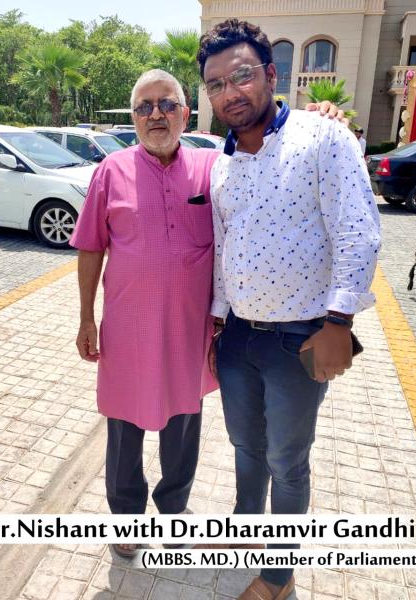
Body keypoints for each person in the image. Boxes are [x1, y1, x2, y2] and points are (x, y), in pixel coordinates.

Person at [70, 67, 345, 559]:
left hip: (190, 330)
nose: (156, 114)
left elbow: (269, 156)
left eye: (167, 104)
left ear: (185, 113)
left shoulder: (214, 166)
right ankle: (126, 519)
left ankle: (173, 510)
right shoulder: (110, 171)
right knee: (124, 427)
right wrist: (87, 317)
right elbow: (90, 246)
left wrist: (313, 121)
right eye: (145, 107)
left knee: (183, 425)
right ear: (134, 118)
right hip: (128, 330)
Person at [197, 19, 380, 600]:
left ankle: (278, 574)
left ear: (271, 74)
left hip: (299, 337)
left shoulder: (322, 139)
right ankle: (246, 527)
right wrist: (218, 318)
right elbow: (225, 246)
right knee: (245, 446)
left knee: (286, 458)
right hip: (237, 338)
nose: (231, 92)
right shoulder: (222, 164)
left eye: (242, 75)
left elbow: (358, 232)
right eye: (216, 84)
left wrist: (340, 321)